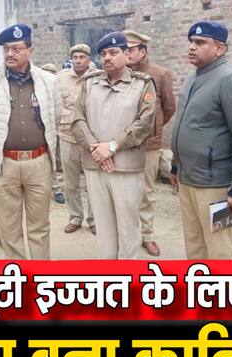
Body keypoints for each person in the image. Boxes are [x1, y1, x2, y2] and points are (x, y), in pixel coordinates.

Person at [0, 23, 61, 259]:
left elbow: (56, 117)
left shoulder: (49, 81)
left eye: (16, 49)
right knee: (9, 229)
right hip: (4, 165)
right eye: (6, 49)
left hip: (39, 163)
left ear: (30, 50)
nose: (10, 54)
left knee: (39, 227)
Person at [170, 21, 232, 260]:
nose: (192, 47)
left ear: (219, 48)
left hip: (214, 183)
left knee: (219, 251)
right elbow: (187, 127)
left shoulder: (231, 79)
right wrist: (176, 166)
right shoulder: (193, 77)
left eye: (200, 42)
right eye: (191, 42)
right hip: (188, 178)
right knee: (194, 246)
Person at [71, 31, 156, 259]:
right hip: (95, 165)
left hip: (126, 168)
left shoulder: (142, 84)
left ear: (126, 54)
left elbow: (145, 123)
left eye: (113, 52)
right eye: (103, 54)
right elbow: (77, 119)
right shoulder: (90, 83)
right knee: (104, 230)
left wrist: (111, 147)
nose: (107, 57)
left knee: (128, 229)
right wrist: (96, 148)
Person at [124, 30, 176, 256]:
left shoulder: (160, 74)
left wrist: (154, 130)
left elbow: (169, 108)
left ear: (143, 51)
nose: (126, 53)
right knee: (124, 191)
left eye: (130, 49)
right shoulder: (119, 74)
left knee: (146, 192)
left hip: (149, 145)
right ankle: (127, 234)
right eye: (124, 49)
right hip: (123, 143)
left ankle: (147, 235)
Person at [57, 43, 96, 235]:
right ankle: (75, 217)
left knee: (93, 182)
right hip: (67, 135)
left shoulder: (97, 78)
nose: (79, 61)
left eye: (82, 57)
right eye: (75, 57)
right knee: (70, 182)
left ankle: (94, 219)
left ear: (89, 59)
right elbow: (55, 105)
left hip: (90, 138)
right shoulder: (61, 78)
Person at [40, 62, 66, 204]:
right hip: (42, 133)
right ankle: (56, 189)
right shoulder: (36, 90)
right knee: (47, 161)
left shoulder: (58, 89)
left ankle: (58, 189)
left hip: (58, 131)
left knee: (57, 161)